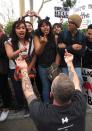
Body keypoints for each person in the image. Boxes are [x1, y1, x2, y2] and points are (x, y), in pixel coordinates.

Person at [15, 50, 86, 131]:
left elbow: (28, 92)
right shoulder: (80, 105)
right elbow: (77, 85)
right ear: (73, 93)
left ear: (51, 94)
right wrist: (70, 62)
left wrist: (23, 69)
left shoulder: (42, 114)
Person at [4, 19, 36, 114]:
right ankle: (20, 105)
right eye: (18, 28)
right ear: (14, 30)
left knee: (28, 88)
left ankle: (28, 106)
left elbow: (35, 55)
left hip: (29, 68)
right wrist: (19, 50)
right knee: (18, 90)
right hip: (15, 69)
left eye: (23, 28)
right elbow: (10, 55)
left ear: (26, 29)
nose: (21, 30)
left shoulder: (31, 40)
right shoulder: (8, 42)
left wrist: (29, 68)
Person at [56, 14, 86, 88]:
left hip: (76, 64)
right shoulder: (62, 34)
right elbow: (59, 50)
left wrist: (66, 47)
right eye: (68, 22)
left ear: (76, 25)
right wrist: (72, 47)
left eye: (71, 23)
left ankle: (77, 98)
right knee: (65, 85)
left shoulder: (82, 36)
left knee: (78, 82)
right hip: (64, 64)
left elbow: (82, 53)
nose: (68, 24)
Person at [33, 18, 57, 102]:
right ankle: (46, 106)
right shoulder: (36, 37)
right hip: (42, 66)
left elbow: (57, 52)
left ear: (50, 26)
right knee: (46, 86)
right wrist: (43, 43)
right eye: (42, 26)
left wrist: (56, 65)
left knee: (55, 86)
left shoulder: (54, 37)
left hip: (53, 66)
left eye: (47, 25)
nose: (45, 27)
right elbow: (38, 52)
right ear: (39, 28)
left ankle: (55, 105)